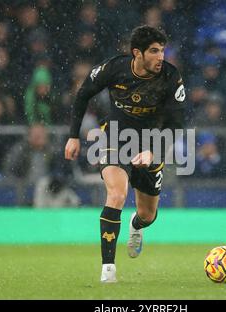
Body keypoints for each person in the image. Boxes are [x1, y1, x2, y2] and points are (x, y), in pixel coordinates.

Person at [64, 25, 185, 282]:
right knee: (117, 195)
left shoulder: (171, 77)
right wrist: (73, 135)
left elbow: (176, 124)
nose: (160, 57)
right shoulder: (114, 68)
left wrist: (154, 151)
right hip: (115, 139)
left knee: (148, 215)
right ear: (137, 53)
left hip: (152, 144)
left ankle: (135, 226)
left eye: (162, 50)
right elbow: (83, 94)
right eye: (154, 51)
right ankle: (108, 269)